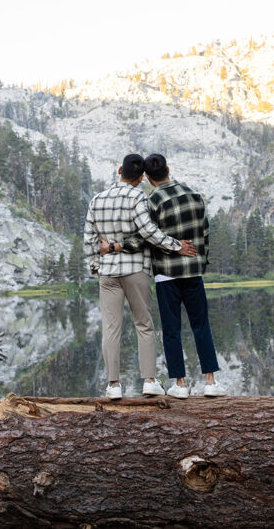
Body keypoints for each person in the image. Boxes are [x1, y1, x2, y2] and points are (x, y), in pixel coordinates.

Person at [108, 153, 226, 398]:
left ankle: (179, 384)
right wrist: (199, 261)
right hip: (193, 272)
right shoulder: (195, 196)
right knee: (201, 326)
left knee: (171, 330)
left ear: (148, 178)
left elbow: (144, 237)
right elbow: (205, 232)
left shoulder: (152, 201)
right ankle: (211, 382)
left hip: (166, 276)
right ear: (168, 169)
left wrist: (117, 246)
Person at [83, 153, 196, 400]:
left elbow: (89, 238)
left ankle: (113, 385)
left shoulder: (97, 199)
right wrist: (177, 245)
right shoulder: (138, 197)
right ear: (141, 177)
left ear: (119, 170)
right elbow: (148, 232)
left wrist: (96, 266)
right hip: (136, 270)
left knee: (111, 328)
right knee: (144, 325)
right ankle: (149, 381)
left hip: (108, 273)